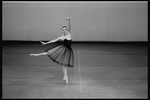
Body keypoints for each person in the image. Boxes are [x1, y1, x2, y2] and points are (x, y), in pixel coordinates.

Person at [30, 17, 74, 84]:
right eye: (63, 29)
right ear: (62, 31)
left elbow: (70, 26)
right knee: (50, 52)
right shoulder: (61, 37)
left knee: (64, 64)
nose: (64, 30)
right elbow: (53, 40)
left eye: (65, 29)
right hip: (62, 49)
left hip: (68, 51)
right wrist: (46, 43)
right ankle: (37, 54)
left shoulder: (69, 34)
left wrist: (69, 20)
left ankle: (65, 76)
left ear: (66, 30)